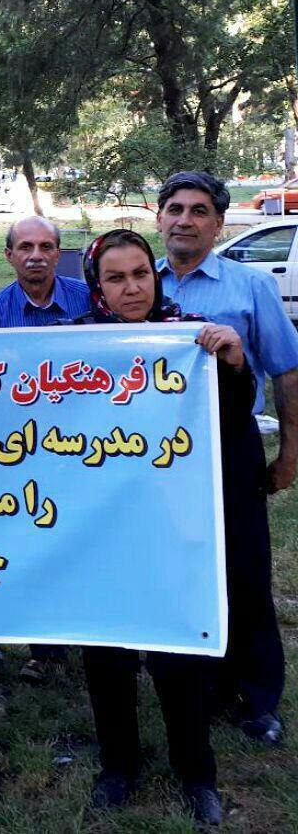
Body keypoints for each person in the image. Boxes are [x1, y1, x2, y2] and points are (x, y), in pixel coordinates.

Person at [70, 228, 251, 827]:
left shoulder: (192, 337)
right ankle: (118, 767)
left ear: (155, 275)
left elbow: (230, 421)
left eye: (140, 274)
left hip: (174, 526)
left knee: (179, 658)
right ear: (97, 287)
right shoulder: (72, 346)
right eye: (115, 278)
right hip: (100, 532)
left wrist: (233, 362)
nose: (131, 288)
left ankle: (197, 774)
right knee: (108, 656)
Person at [154, 171, 297, 745]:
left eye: (198, 211)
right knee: (181, 567)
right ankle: (202, 681)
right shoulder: (137, 281)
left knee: (244, 570)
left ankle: (258, 696)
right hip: (156, 457)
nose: (184, 220)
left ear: (218, 223)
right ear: (159, 217)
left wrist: (289, 452)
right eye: (175, 209)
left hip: (229, 445)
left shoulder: (250, 286)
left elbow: (285, 370)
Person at [0, 216, 90, 680]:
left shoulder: (90, 299)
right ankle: (47, 650)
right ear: (9, 255)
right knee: (37, 542)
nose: (36, 256)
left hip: (90, 442)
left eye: (46, 247)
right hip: (24, 450)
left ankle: (103, 633)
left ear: (58, 253)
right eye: (25, 247)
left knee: (86, 539)